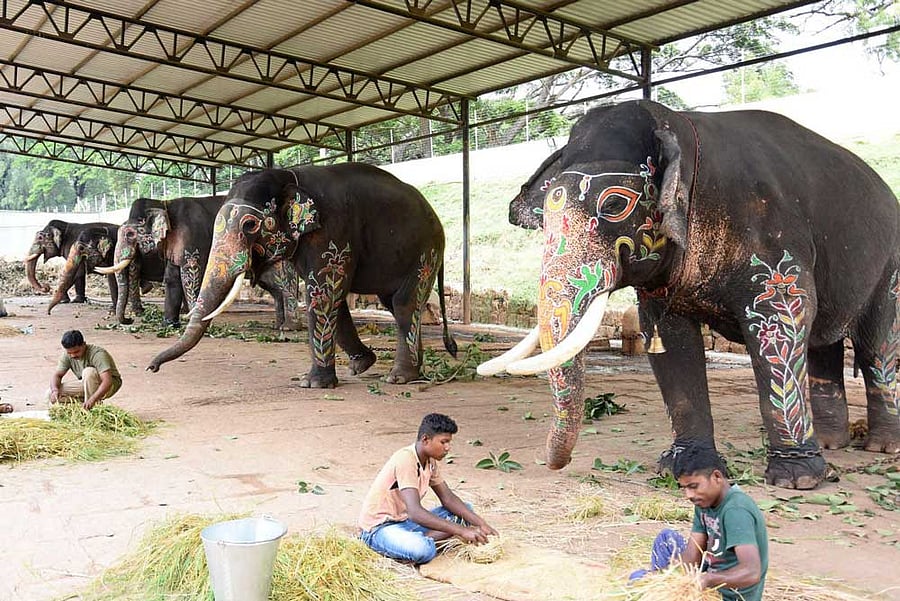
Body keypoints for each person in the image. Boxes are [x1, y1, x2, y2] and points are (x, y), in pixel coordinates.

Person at [630, 441, 768, 601]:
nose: (689, 495)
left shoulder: (735, 510)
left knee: (637, 583)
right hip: (707, 575)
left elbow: (751, 572)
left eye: (694, 486)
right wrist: (662, 578)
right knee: (664, 541)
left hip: (725, 595)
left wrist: (707, 579)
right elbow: (692, 556)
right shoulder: (704, 502)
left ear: (716, 477)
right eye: (685, 488)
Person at [358, 412, 498, 563]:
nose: (447, 448)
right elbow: (415, 512)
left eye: (449, 442)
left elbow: (448, 499)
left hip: (404, 522)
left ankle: (418, 540)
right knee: (422, 551)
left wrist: (482, 524)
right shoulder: (405, 459)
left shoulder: (430, 462)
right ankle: (414, 543)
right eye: (443, 442)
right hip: (379, 528)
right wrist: (462, 531)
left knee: (465, 511)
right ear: (425, 439)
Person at [48, 330, 122, 410]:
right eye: (69, 353)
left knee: (89, 372)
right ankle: (84, 406)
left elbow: (107, 381)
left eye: (76, 352)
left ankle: (94, 408)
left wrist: (93, 399)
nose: (73, 355)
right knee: (50, 394)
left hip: (109, 385)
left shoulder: (98, 354)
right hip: (86, 384)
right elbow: (57, 375)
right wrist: (55, 390)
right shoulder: (67, 355)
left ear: (84, 344)